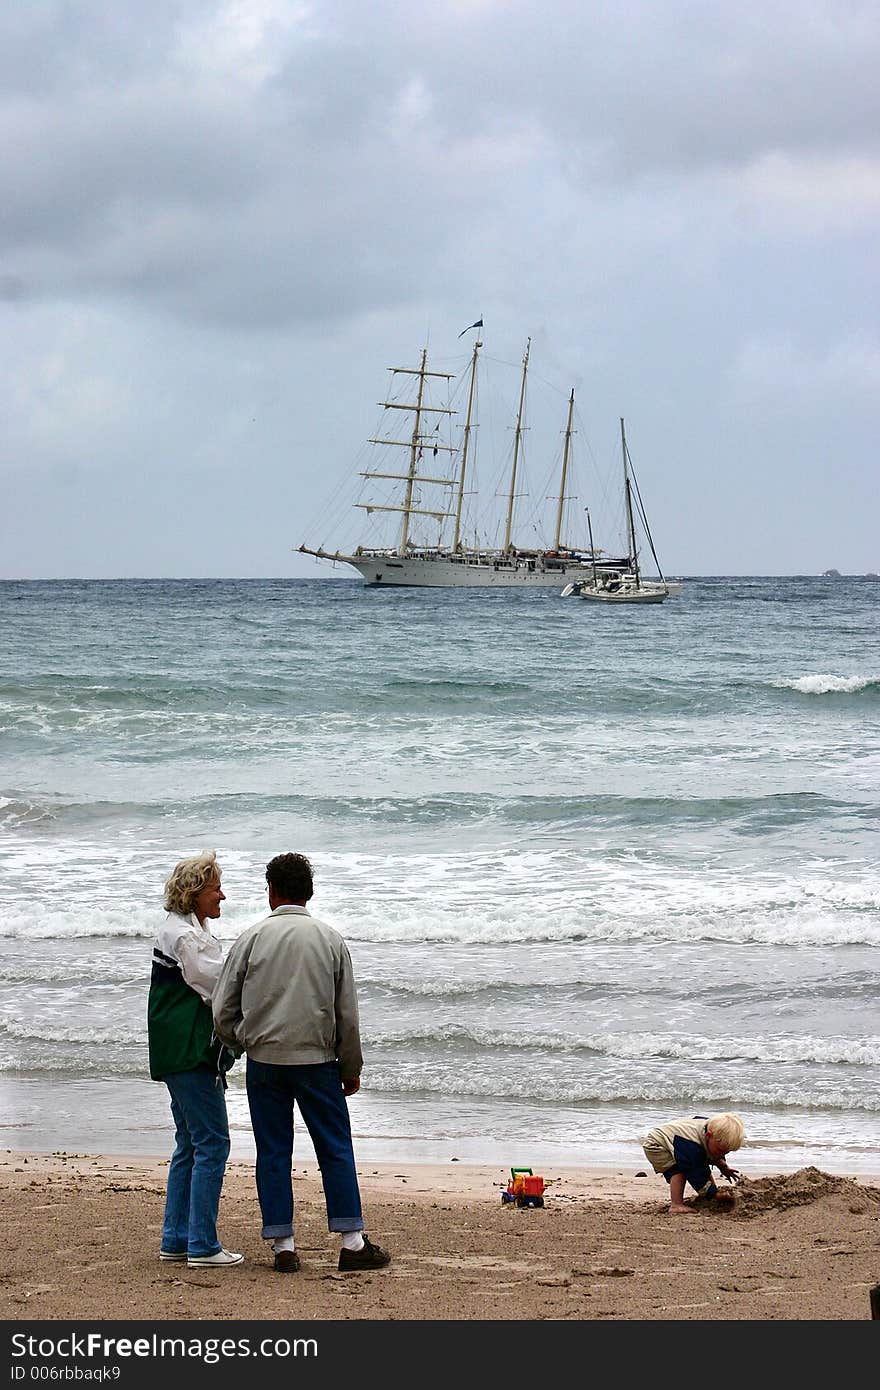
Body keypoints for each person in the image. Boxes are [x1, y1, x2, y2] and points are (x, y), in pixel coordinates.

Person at [212, 852, 390, 1274]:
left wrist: (244, 1038)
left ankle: (283, 1244)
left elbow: (222, 1008)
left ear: (271, 891)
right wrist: (351, 1065)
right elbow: (346, 1013)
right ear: (308, 893)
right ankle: (352, 1240)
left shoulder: (252, 938)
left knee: (273, 1150)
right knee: (334, 1148)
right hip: (317, 1060)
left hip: (266, 1060)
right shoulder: (329, 939)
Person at [148, 850, 242, 1267]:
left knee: (189, 1142)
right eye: (215, 887)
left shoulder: (185, 929)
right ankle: (202, 1244)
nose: (221, 895)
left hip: (175, 1050)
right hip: (189, 1049)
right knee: (213, 1142)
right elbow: (216, 983)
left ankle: (176, 1238)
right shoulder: (184, 936)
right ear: (194, 892)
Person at [641, 1112, 744, 1214]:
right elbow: (696, 1174)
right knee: (679, 1171)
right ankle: (676, 1205)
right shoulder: (692, 1147)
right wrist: (714, 1194)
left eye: (726, 1152)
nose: (722, 1154)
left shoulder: (711, 1127)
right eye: (720, 1151)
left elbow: (712, 1152)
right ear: (708, 1136)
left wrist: (722, 1165)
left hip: (676, 1140)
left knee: (702, 1159)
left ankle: (710, 1191)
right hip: (657, 1144)